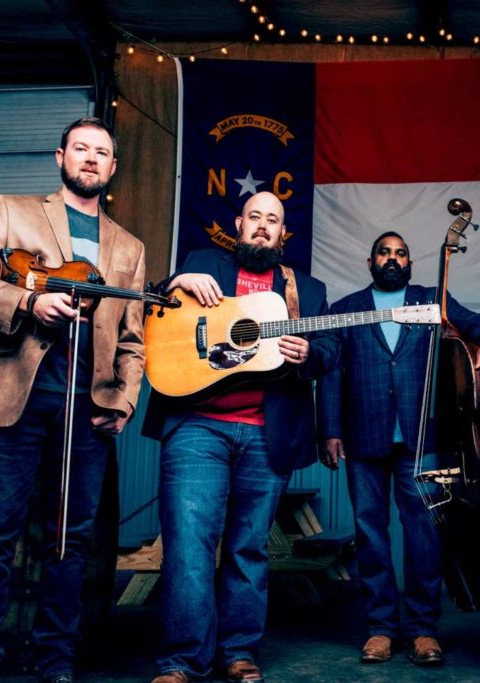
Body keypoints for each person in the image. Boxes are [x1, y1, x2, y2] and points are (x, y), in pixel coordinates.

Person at [0, 117, 145, 683]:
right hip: (14, 400)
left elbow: (132, 340)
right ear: (60, 157)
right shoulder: (14, 209)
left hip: (87, 411)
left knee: (69, 542)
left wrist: (122, 400)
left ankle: (55, 662)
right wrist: (28, 305)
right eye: (81, 149)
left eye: (102, 152)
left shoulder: (129, 246)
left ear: (113, 167)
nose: (91, 159)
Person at [143, 190, 339, 683]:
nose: (262, 226)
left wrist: (307, 355)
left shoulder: (307, 292)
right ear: (239, 223)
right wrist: (176, 279)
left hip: (265, 434)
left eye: (272, 220)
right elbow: (154, 306)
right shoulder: (204, 261)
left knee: (249, 547)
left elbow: (331, 349)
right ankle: (182, 660)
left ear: (282, 233)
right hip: (197, 426)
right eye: (255, 216)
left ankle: (238, 653)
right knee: (188, 544)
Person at [315, 231, 480, 666]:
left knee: (424, 534)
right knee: (370, 532)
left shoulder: (431, 299)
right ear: (370, 262)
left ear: (410, 263)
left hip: (422, 438)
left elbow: (476, 323)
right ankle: (380, 627)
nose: (393, 258)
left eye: (401, 253)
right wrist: (329, 430)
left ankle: (422, 629)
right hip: (363, 437)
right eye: (384, 252)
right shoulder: (346, 309)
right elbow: (331, 374)